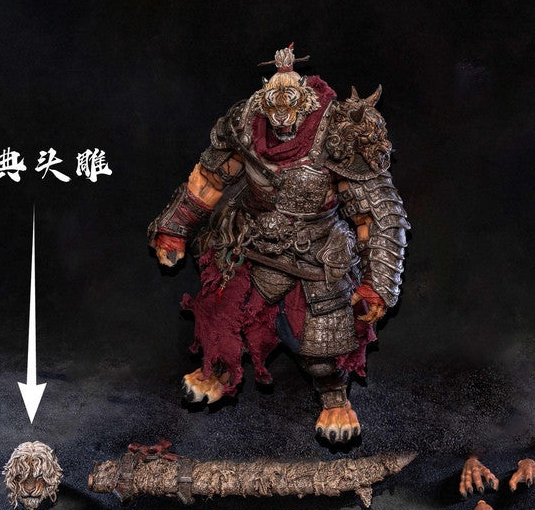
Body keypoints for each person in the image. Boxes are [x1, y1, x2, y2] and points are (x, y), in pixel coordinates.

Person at [148, 45, 409, 443]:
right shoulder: (245, 123)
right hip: (253, 242)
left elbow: (374, 214)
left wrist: (378, 282)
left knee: (324, 343)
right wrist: (175, 228)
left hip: (318, 252)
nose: (282, 119)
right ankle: (218, 370)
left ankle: (335, 399)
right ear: (264, 103)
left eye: (291, 110)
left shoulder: (338, 131)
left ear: (305, 104)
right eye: (274, 110)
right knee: (224, 314)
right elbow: (210, 178)